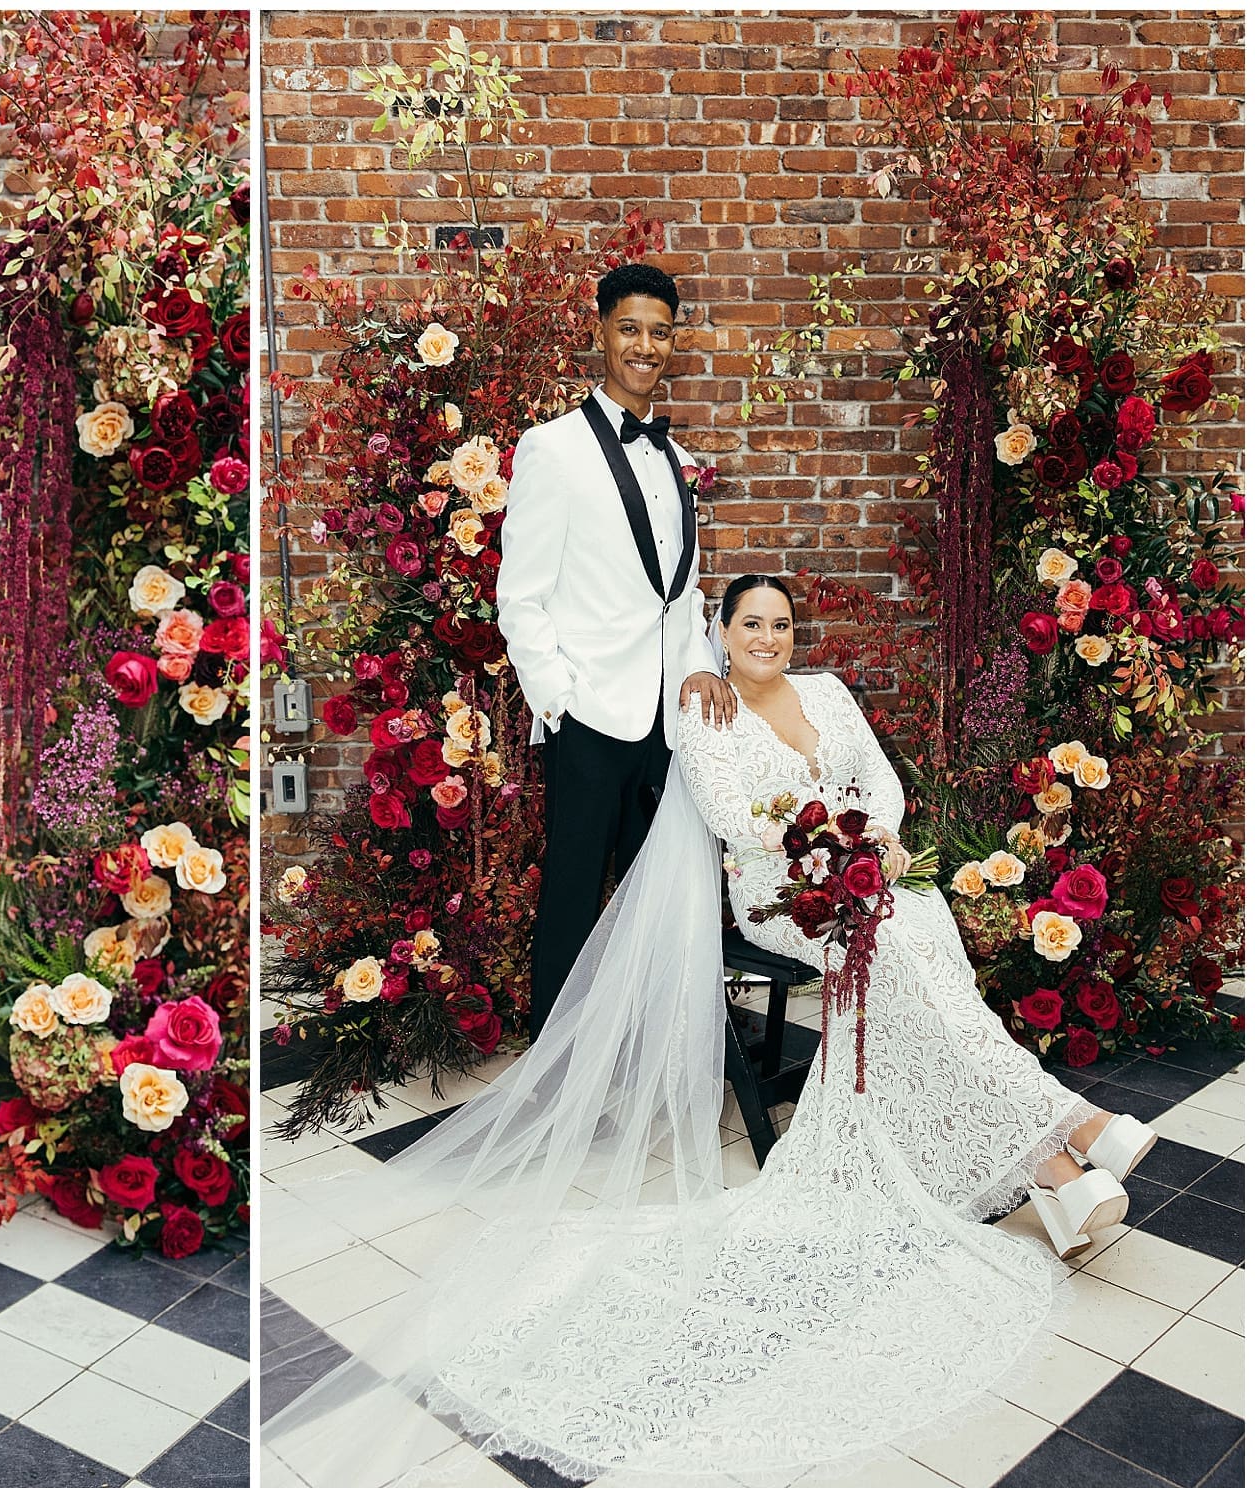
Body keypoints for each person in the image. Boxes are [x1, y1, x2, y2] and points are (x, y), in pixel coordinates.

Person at [261, 575, 1157, 1487]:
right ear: (722, 634)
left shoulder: (831, 695)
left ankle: (1058, 1177)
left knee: (913, 937)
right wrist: (837, 851)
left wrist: (876, 842)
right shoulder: (706, 712)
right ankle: (1075, 1135)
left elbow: (881, 781)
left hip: (865, 882)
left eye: (781, 624)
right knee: (897, 942)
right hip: (780, 896)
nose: (767, 637)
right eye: (750, 624)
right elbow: (742, 825)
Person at [496, 262, 735, 1036]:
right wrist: (559, 700)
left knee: (650, 903)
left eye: (659, 332)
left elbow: (682, 597)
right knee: (571, 895)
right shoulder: (552, 448)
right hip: (590, 715)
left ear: (674, 342)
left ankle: (635, 1055)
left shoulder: (674, 459)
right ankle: (553, 1069)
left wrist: (700, 671)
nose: (644, 345)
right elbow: (520, 595)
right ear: (601, 332)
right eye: (629, 328)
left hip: (665, 722)